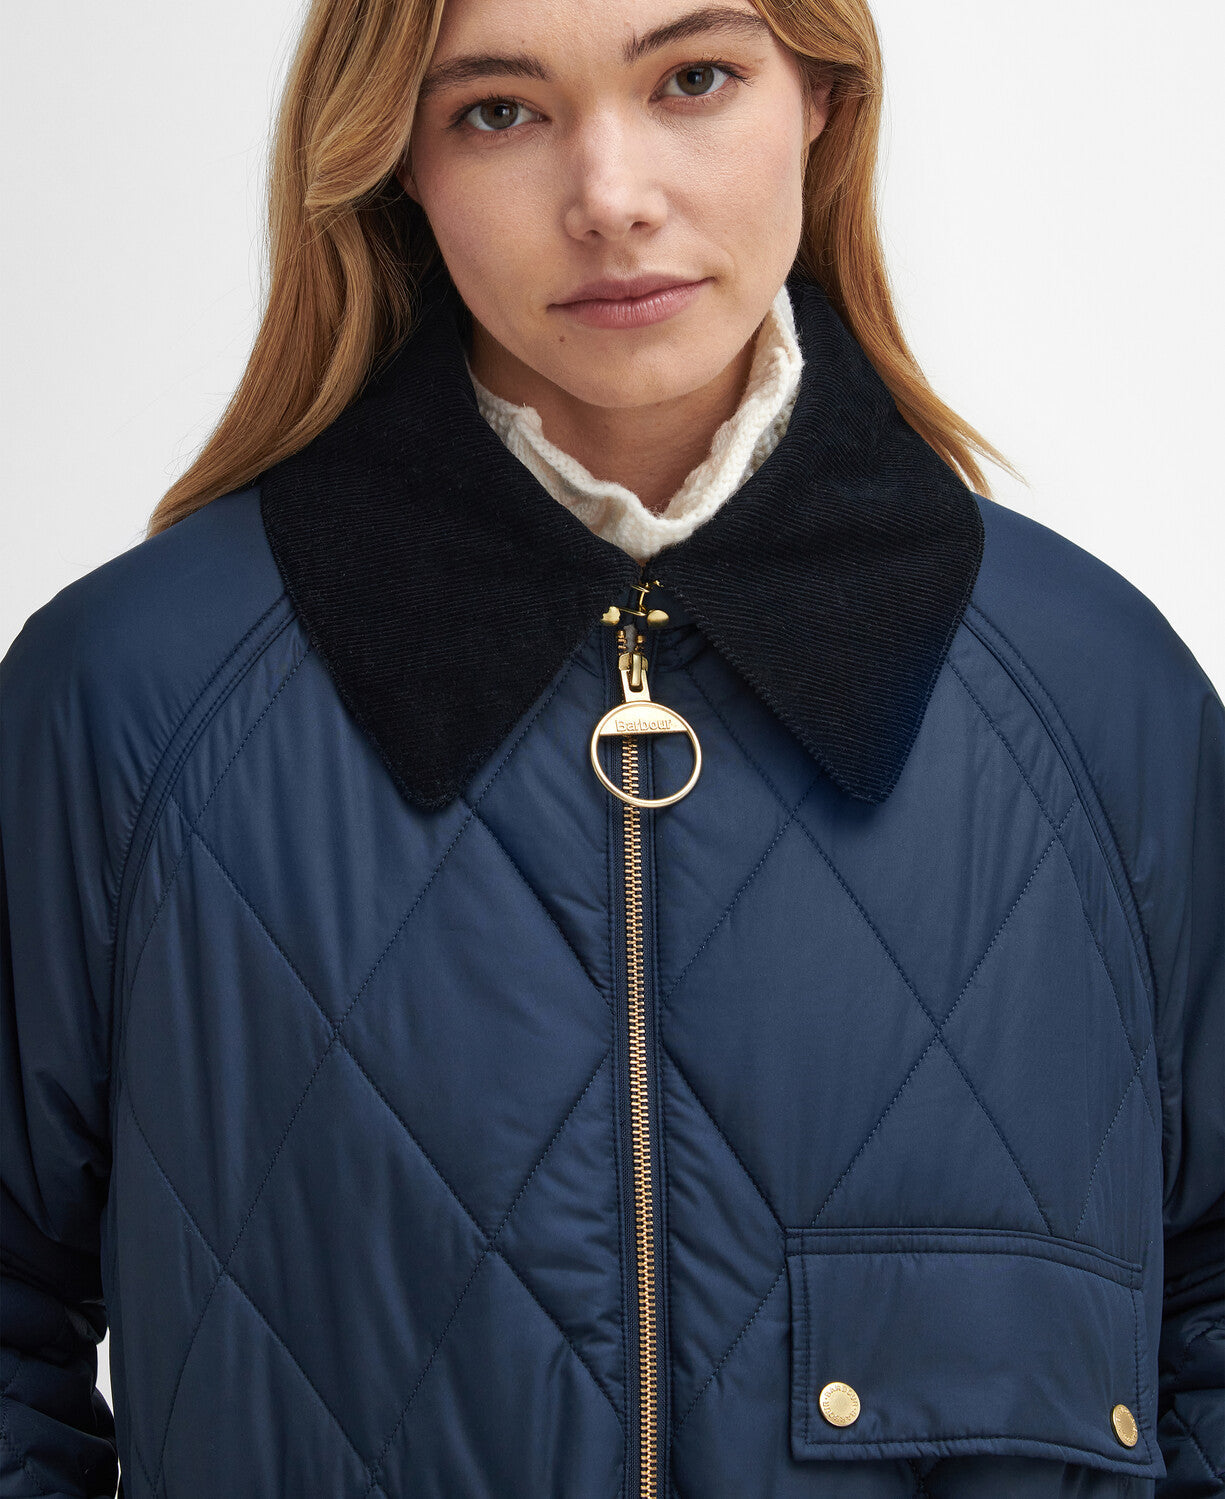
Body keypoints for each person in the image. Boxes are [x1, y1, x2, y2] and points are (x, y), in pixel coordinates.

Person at [2, 0, 1221, 1494]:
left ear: (821, 99)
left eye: (694, 79)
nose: (610, 197)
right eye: (497, 113)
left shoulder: (1099, 695)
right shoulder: (125, 698)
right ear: (396, 162)